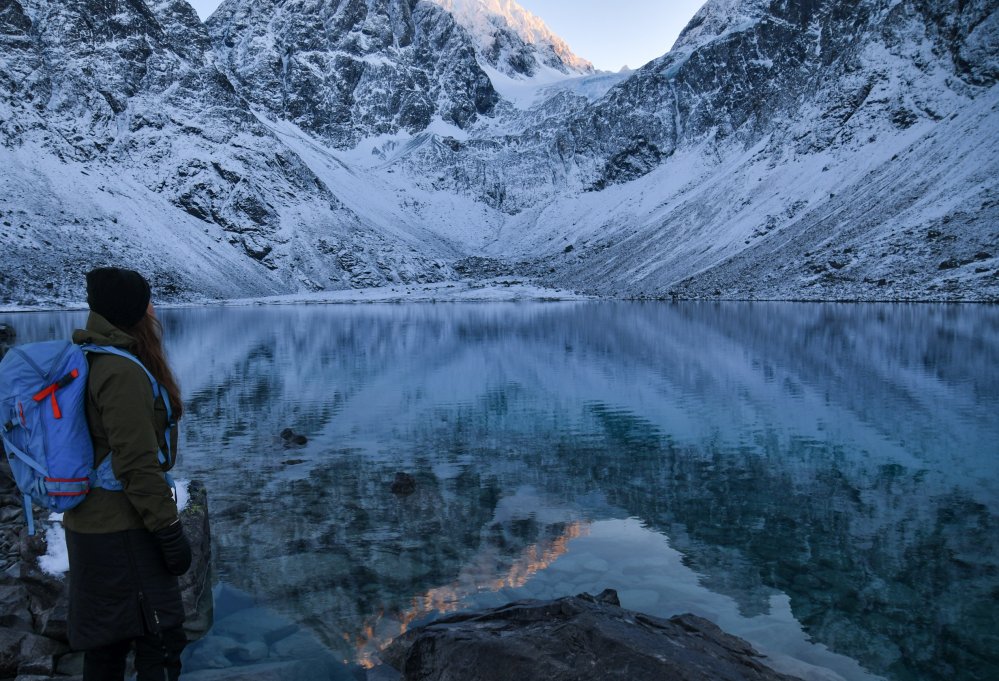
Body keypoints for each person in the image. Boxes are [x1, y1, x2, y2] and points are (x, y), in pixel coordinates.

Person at [65, 267, 191, 681]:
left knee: (107, 644)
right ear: (133, 311)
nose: (154, 308)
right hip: (124, 531)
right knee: (161, 639)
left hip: (91, 526)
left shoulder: (92, 356)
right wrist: (168, 530)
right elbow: (136, 464)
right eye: (148, 301)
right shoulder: (122, 372)